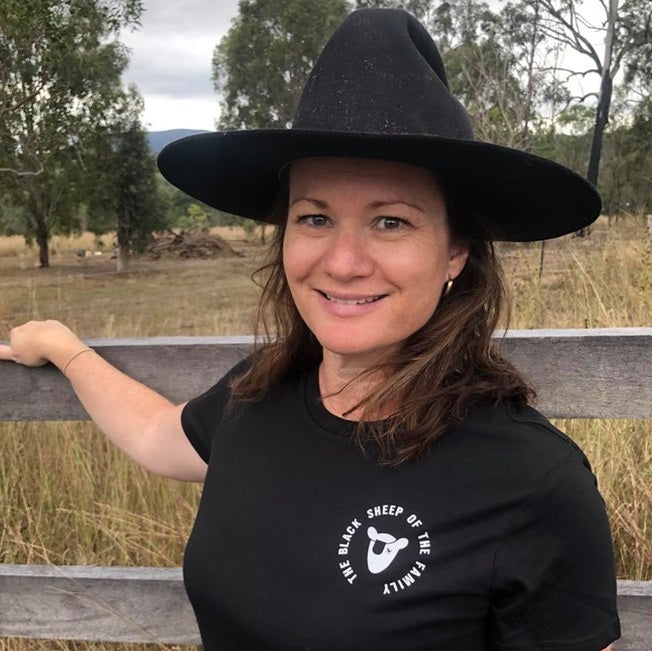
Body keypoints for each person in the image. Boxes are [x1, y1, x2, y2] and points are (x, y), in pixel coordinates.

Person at [0, 8, 619, 651]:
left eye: (391, 222)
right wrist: (67, 352)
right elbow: (159, 435)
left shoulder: (531, 480)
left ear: (456, 252)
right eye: (315, 218)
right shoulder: (258, 394)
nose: (343, 263)